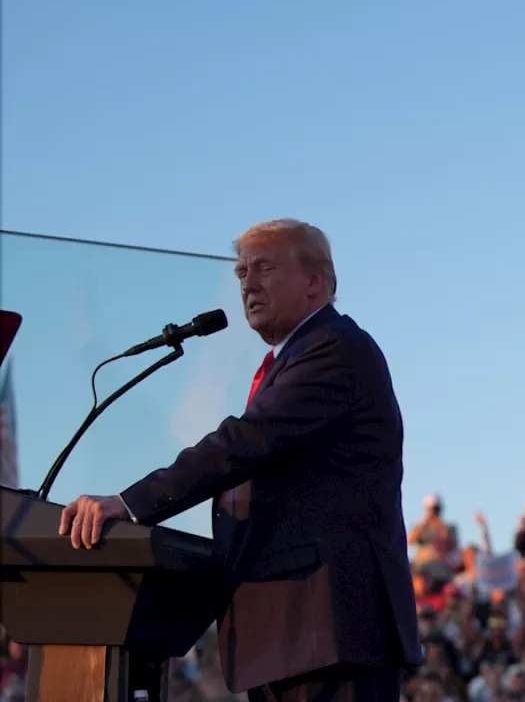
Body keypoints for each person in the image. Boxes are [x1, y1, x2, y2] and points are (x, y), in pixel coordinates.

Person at [58, 218, 422, 701]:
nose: (247, 282)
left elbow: (244, 442)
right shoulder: (292, 359)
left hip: (329, 631)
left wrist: (130, 503)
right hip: (288, 636)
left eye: (265, 267)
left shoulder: (336, 349)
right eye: (242, 272)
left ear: (316, 283)